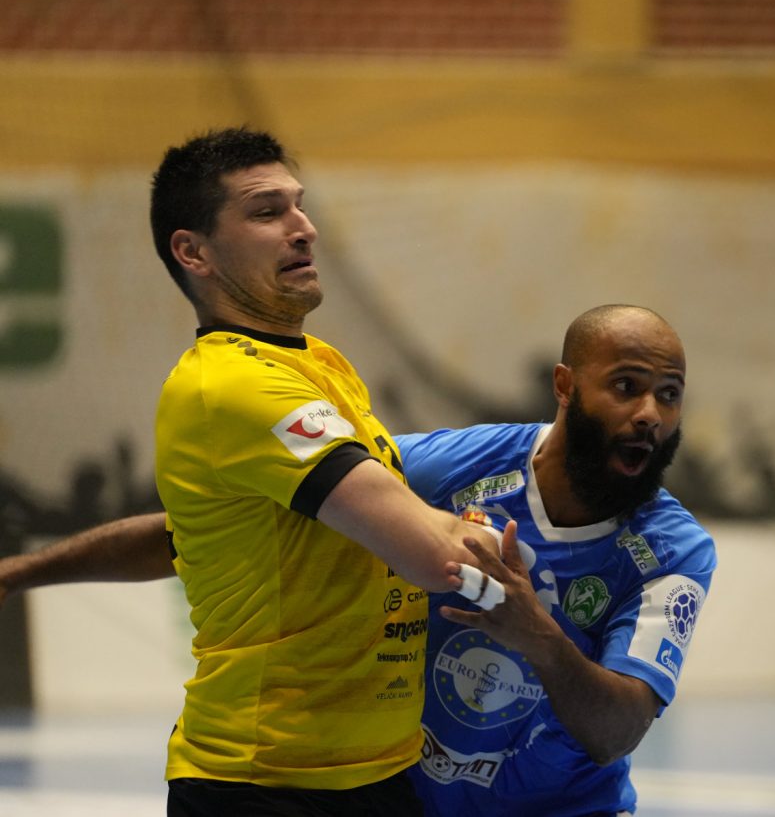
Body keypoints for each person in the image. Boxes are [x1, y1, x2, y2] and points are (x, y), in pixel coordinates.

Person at [0, 303, 718, 817]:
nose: (649, 414)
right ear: (565, 386)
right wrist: (21, 572)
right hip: (403, 801)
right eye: (626, 386)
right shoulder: (450, 470)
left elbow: (617, 732)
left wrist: (537, 634)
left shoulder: (672, 551)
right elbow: (204, 531)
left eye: (669, 395)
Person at [124, 126, 503, 814]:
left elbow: (185, 537)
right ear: (193, 252)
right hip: (264, 782)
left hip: (377, 770)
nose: (304, 228)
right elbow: (436, 558)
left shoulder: (321, 364)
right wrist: (487, 535)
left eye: (299, 206)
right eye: (267, 212)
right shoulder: (233, 385)